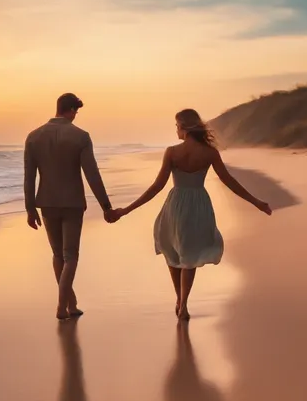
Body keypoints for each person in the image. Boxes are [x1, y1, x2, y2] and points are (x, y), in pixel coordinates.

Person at [113, 109, 272, 320]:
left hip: (176, 205)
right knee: (189, 254)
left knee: (172, 250)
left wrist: (126, 210)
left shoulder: (172, 152)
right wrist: (256, 202)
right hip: (199, 205)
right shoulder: (209, 153)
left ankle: (179, 299)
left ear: (184, 128)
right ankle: (184, 302)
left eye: (177, 126)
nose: (176, 130)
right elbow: (229, 181)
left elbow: (157, 187)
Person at [24, 93, 117, 320]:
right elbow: (92, 175)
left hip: (46, 202)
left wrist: (30, 208)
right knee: (71, 256)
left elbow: (29, 177)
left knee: (58, 255)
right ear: (71, 110)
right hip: (73, 203)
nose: (76, 115)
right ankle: (61, 306)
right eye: (76, 111)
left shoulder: (33, 137)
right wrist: (106, 206)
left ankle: (71, 303)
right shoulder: (80, 136)